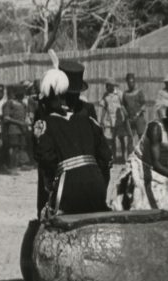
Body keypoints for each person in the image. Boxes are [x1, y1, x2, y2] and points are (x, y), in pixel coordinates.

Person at [32, 53, 111, 217]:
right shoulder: (43, 111)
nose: (73, 98)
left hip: (75, 182)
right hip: (57, 177)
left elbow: (100, 151)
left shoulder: (87, 110)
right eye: (70, 93)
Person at [113, 97, 168, 211]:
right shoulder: (156, 128)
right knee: (141, 205)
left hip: (163, 167)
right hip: (142, 165)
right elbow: (155, 164)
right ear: (166, 113)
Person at [98, 79, 128, 163]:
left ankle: (124, 157)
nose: (107, 87)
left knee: (122, 139)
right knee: (112, 140)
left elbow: (124, 105)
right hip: (110, 121)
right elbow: (103, 107)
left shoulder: (119, 94)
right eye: (106, 85)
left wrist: (126, 116)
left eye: (109, 85)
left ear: (112, 86)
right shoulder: (105, 95)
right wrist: (101, 120)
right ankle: (113, 157)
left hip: (119, 119)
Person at [1, 84, 28, 174]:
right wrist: (19, 123)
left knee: (21, 147)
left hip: (22, 129)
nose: (22, 94)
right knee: (14, 148)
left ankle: (20, 164)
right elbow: (6, 118)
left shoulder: (23, 104)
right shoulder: (10, 103)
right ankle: (12, 167)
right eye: (20, 93)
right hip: (13, 129)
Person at [121, 72, 147, 150]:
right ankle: (130, 157)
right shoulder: (125, 94)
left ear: (134, 82)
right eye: (129, 82)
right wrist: (125, 113)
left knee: (141, 137)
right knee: (130, 138)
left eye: (132, 82)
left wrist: (138, 113)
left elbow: (144, 104)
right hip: (130, 119)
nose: (130, 84)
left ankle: (143, 156)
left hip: (139, 118)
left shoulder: (139, 92)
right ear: (127, 83)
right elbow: (123, 105)